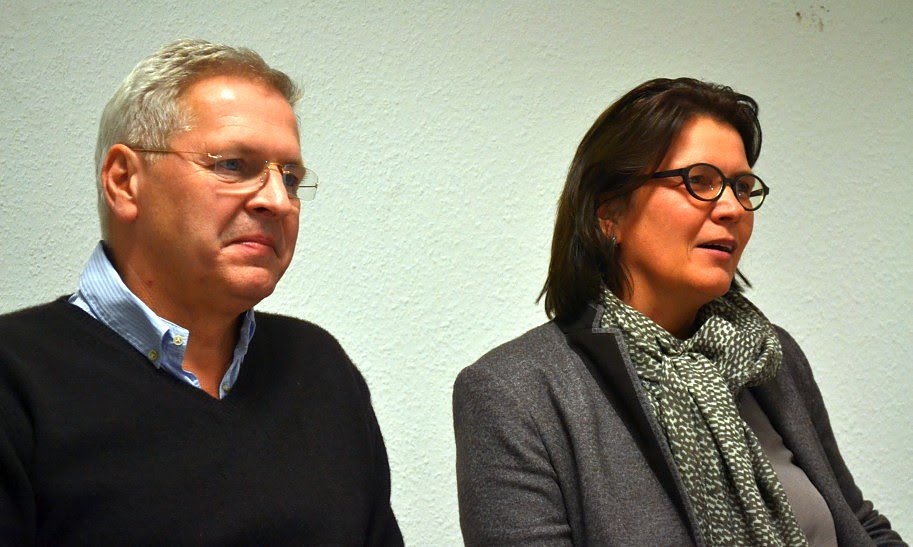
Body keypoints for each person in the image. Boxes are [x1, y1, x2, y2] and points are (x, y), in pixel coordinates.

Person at [453, 78, 905, 546]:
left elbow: (859, 524)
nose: (732, 208)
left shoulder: (769, 356)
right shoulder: (514, 393)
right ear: (609, 213)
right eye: (699, 181)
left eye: (742, 187)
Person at [0, 39, 402, 545]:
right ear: (124, 181)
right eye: (233, 164)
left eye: (291, 178)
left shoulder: (320, 368)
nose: (279, 201)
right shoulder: (16, 379)